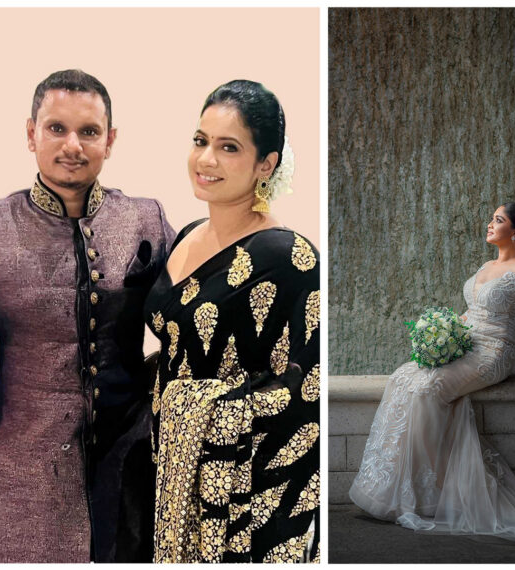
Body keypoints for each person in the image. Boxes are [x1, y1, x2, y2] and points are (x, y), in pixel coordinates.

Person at [0, 69, 175, 563]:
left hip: (129, 466)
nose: (73, 146)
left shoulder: (145, 218)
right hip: (19, 473)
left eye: (89, 131)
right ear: (31, 134)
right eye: (56, 128)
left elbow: (187, 322)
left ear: (110, 140)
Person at [143, 80, 320, 563]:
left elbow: (307, 391)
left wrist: (209, 411)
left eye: (229, 147)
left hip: (237, 501)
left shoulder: (289, 256)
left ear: (267, 163)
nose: (206, 159)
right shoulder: (185, 236)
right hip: (169, 473)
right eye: (200, 141)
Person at [350, 202, 515, 539]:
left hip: (494, 352)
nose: (489, 224)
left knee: (428, 389)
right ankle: (389, 485)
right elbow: (472, 313)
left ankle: (435, 489)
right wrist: (441, 334)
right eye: (491, 218)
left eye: (498, 220)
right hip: (466, 343)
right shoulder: (486, 265)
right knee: (402, 377)